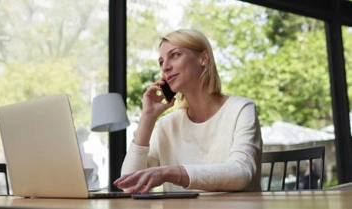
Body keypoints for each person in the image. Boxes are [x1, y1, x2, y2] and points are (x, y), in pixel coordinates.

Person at [113, 29, 263, 194]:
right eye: (161, 62)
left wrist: (169, 173)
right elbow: (128, 185)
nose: (166, 67)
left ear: (203, 58)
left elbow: (241, 172)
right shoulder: (167, 125)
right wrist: (148, 118)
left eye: (175, 55)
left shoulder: (241, 109)